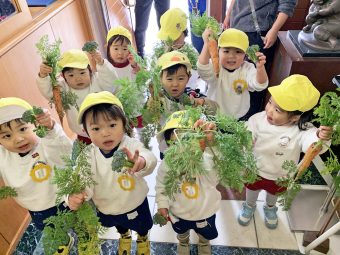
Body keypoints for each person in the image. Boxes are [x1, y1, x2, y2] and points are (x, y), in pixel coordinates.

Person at [68, 91, 157, 255]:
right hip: (107, 207)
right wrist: (73, 196)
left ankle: (143, 238)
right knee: (120, 225)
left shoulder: (130, 145)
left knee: (142, 226)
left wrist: (142, 162)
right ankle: (124, 236)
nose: (105, 133)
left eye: (112, 125)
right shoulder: (88, 155)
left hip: (134, 203)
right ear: (86, 131)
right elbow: (80, 180)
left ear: (123, 124)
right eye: (96, 128)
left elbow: (149, 157)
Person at [238, 74, 332, 229]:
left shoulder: (302, 130)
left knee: (273, 194)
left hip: (280, 174)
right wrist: (246, 140)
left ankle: (270, 208)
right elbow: (247, 133)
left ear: (295, 117)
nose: (269, 111)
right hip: (254, 169)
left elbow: (313, 145)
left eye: (277, 110)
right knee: (251, 189)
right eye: (269, 102)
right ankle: (249, 205)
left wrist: (321, 137)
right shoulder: (257, 120)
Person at [0, 97, 73, 254]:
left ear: (34, 124)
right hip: (37, 206)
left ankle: (86, 235)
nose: (18, 139)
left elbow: (67, 153)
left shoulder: (46, 140)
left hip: (64, 197)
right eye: (6, 136)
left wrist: (51, 128)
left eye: (23, 129)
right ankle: (63, 241)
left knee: (78, 220)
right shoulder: (3, 155)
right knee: (50, 227)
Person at [155, 110, 221, 255]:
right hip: (178, 212)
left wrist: (208, 150)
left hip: (205, 212)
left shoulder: (207, 160)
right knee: (181, 229)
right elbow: (161, 185)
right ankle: (183, 241)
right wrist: (162, 203)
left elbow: (214, 178)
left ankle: (204, 242)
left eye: (188, 141)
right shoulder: (167, 164)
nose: (183, 149)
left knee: (205, 231)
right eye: (175, 144)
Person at [223, 0, 297, 118]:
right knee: (233, 75)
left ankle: (249, 118)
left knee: (255, 79)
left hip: (256, 34)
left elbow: (287, 4)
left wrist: (274, 30)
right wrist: (228, 16)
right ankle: (231, 113)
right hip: (235, 28)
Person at [37, 49, 118, 145]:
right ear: (63, 76)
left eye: (82, 72)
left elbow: (112, 83)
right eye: (71, 75)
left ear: (90, 71)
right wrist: (43, 76)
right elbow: (49, 93)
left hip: (107, 132)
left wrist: (101, 63)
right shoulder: (63, 87)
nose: (78, 78)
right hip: (84, 136)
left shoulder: (98, 80)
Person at [155, 50, 219, 156]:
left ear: (188, 77)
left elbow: (215, 109)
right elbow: (146, 120)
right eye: (169, 79)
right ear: (160, 79)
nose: (175, 84)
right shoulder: (157, 98)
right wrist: (151, 104)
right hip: (168, 144)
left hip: (191, 144)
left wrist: (202, 102)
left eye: (181, 78)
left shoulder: (192, 95)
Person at [197, 28, 268, 120]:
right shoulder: (215, 66)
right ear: (218, 51)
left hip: (240, 115)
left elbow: (260, 84)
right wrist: (207, 44)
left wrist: (260, 67)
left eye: (238, 52)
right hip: (214, 114)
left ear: (245, 54)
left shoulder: (247, 68)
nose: (231, 56)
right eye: (226, 51)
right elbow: (203, 69)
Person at [106, 25, 145, 134]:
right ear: (108, 49)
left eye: (125, 48)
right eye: (116, 48)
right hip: (121, 111)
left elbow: (142, 83)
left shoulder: (135, 63)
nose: (120, 53)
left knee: (143, 135)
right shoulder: (107, 67)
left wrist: (135, 67)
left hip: (138, 108)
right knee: (126, 137)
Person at [155, 8, 201, 90]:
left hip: (187, 91)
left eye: (174, 38)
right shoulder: (159, 52)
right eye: (167, 38)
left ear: (184, 32)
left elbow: (194, 77)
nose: (171, 41)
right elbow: (154, 72)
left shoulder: (192, 53)